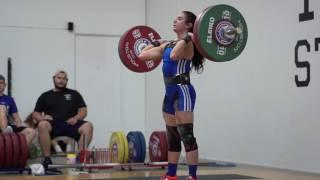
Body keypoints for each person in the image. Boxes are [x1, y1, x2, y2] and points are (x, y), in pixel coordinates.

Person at [139, 11, 204, 180]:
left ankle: (192, 177)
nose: (175, 20)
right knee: (172, 136)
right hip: (169, 93)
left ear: (190, 25)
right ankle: (171, 175)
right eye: (175, 18)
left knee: (187, 136)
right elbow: (142, 55)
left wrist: (189, 37)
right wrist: (156, 42)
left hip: (183, 91)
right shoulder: (169, 44)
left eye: (180, 19)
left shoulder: (188, 43)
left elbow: (175, 55)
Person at [32, 70, 94, 168]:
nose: (61, 80)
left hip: (71, 124)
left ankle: (80, 158)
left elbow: (83, 111)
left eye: (64, 79)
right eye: (59, 78)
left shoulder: (74, 94)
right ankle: (47, 159)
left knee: (88, 126)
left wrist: (76, 118)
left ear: (67, 81)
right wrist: (43, 118)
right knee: (42, 124)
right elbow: (35, 113)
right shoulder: (45, 95)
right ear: (54, 79)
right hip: (53, 125)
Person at [0, 74, 36, 146]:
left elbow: (17, 118)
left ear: (5, 85)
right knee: (2, 108)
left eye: (1, 83)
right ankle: (5, 130)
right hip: (4, 126)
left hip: (7, 126)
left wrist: (21, 126)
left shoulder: (9, 99)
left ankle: (20, 154)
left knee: (31, 132)